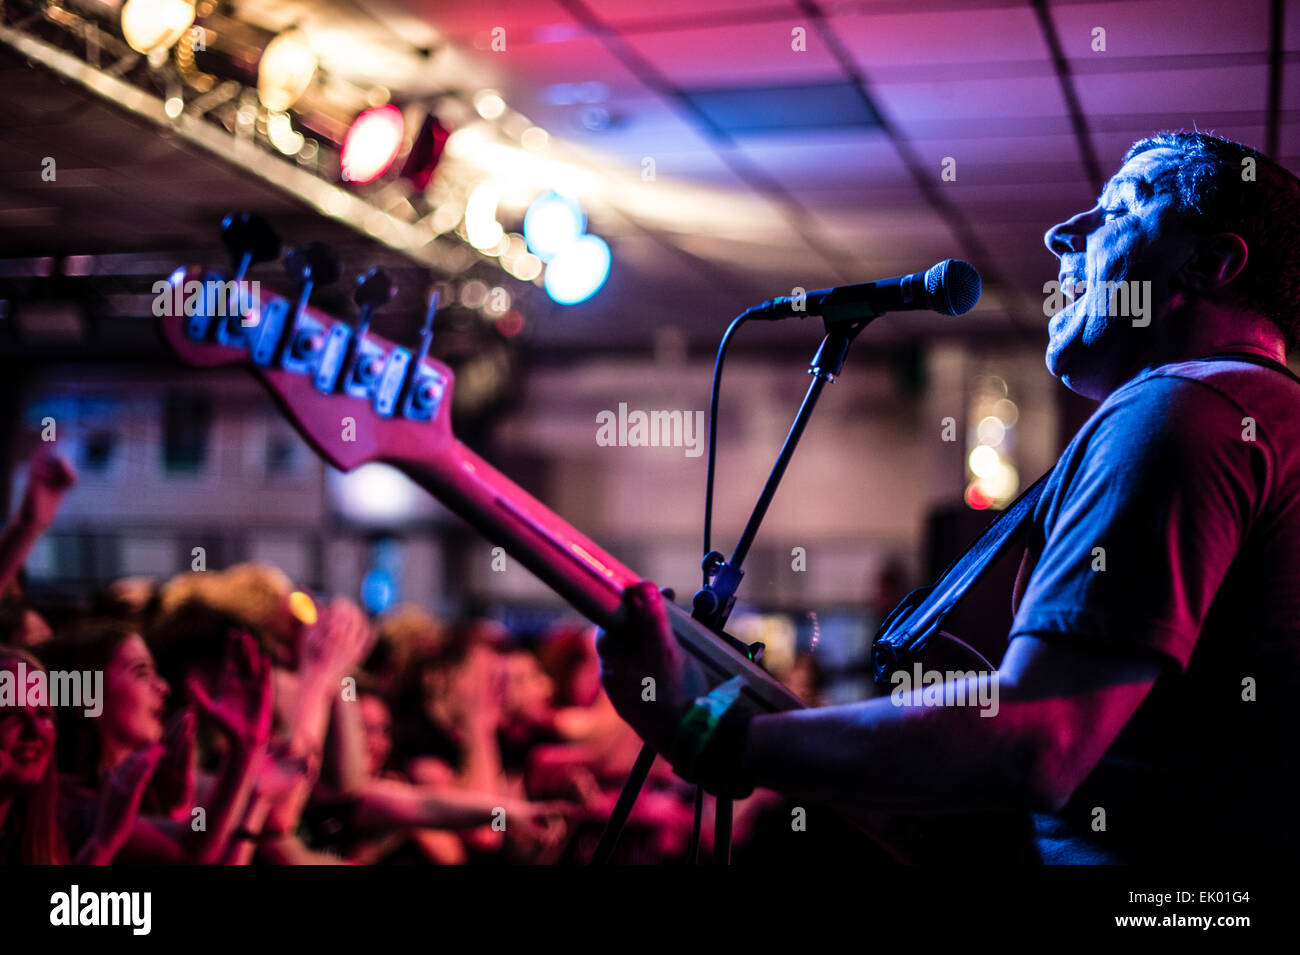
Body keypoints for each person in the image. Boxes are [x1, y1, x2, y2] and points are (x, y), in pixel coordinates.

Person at [595, 130, 1300, 865]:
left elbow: (1038, 738)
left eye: (1120, 208)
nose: (1063, 233)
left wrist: (710, 733)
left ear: (1211, 263)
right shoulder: (1259, 420)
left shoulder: (1185, 409)